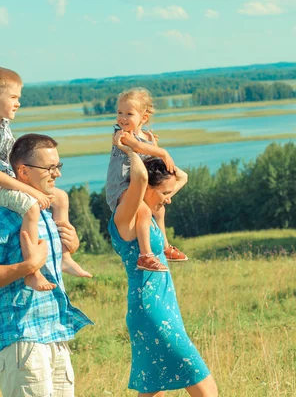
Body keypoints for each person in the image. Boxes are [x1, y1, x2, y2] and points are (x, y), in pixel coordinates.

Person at [0, 133, 93, 396]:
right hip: (22, 341)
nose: (56, 174)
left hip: (55, 334)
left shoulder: (45, 214)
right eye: (49, 168)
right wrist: (27, 267)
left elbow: (53, 264)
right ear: (23, 171)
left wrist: (70, 247)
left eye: (58, 166)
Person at [0, 66, 91, 292]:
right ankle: (33, 272)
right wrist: (33, 192)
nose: (18, 102)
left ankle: (65, 256)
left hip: (1, 182)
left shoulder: (3, 127)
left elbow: (13, 162)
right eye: (14, 97)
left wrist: (37, 187)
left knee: (60, 197)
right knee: (30, 207)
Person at [108, 131, 218, 396]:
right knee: (206, 387)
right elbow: (142, 178)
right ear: (144, 190)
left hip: (165, 305)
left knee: (152, 389)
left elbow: (182, 177)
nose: (169, 198)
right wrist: (132, 149)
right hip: (151, 310)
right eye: (164, 193)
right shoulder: (127, 218)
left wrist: (158, 152)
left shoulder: (151, 211)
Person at [106, 87, 189, 272]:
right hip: (121, 187)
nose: (122, 118)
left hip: (139, 186)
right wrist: (162, 151)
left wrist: (154, 145)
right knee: (143, 211)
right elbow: (138, 147)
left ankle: (166, 247)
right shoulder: (122, 135)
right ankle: (145, 256)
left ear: (143, 118)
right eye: (119, 112)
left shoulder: (147, 137)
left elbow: (148, 157)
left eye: (129, 113)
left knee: (159, 212)